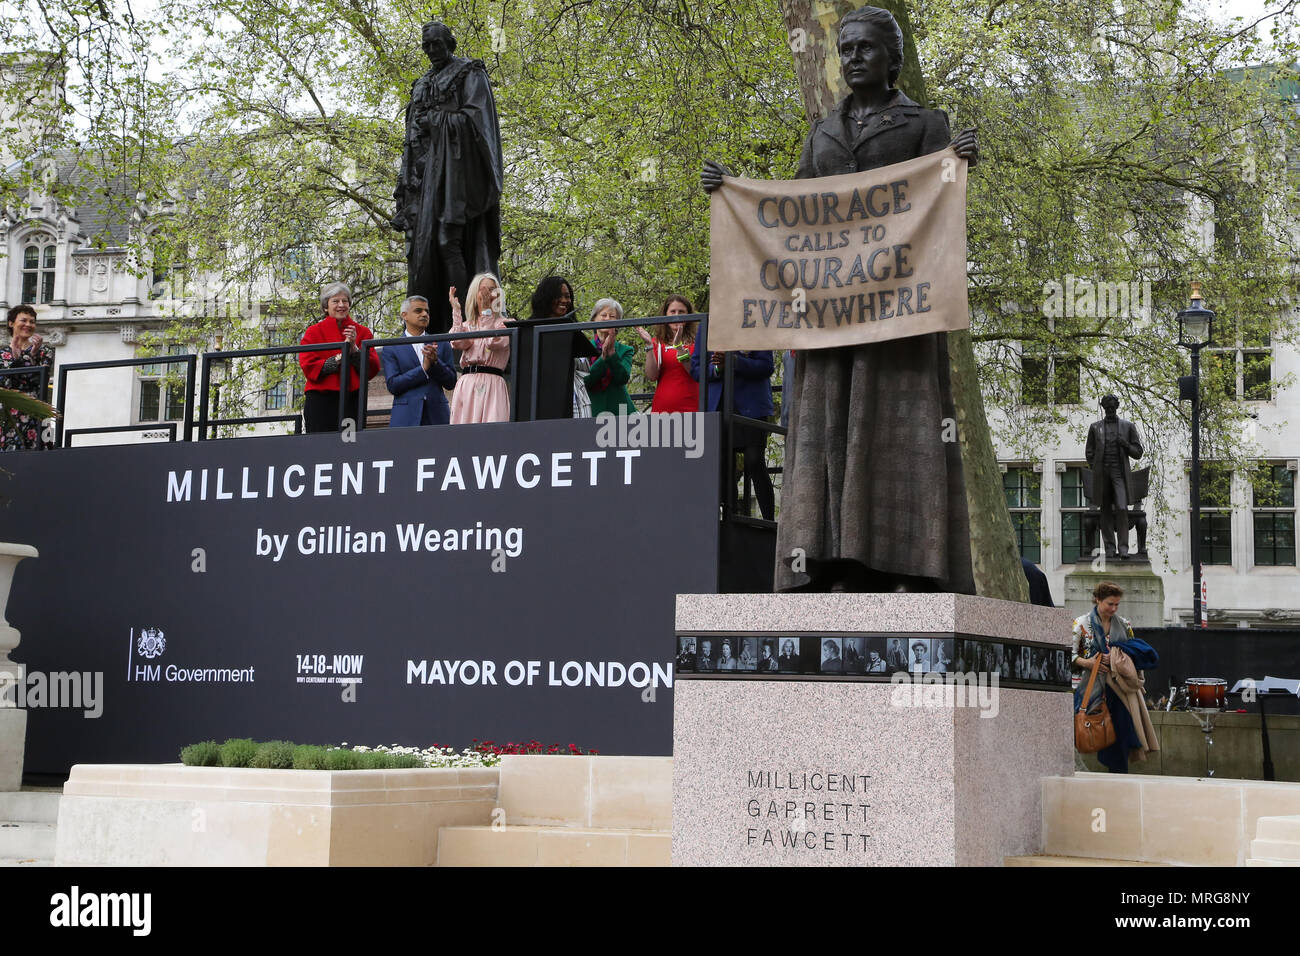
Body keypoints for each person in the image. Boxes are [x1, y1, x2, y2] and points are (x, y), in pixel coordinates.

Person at [705, 6, 979, 591]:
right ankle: (829, 561)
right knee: (827, 436)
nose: (853, 58)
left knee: (899, 436)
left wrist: (958, 166)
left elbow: (942, 204)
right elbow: (794, 219)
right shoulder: (822, 133)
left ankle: (908, 565)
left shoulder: (926, 125)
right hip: (830, 322)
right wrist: (732, 194)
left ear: (891, 58)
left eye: (866, 49)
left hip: (900, 319)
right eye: (846, 49)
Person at [392, 20, 502, 334]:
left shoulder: (469, 72)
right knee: (425, 255)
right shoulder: (421, 82)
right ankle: (434, 327)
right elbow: (411, 138)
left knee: (449, 243)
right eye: (426, 45)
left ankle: (472, 320)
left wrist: (436, 119)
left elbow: (476, 120)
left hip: (457, 176)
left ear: (449, 44)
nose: (431, 50)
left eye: (436, 44)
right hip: (426, 182)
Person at [1071, 581, 1160, 772]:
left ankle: (1119, 772)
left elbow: (1131, 652)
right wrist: (1088, 663)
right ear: (1097, 599)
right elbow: (1068, 654)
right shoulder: (1080, 624)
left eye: (1117, 604)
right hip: (1091, 688)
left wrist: (1117, 660)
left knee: (1121, 732)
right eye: (1110, 604)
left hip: (1119, 688)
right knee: (1087, 727)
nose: (1114, 608)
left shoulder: (1124, 624)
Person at [690, 346, 776, 520]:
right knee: (723, 463)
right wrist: (717, 368)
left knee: (754, 460)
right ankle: (729, 519)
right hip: (719, 404)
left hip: (752, 403)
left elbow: (766, 367)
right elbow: (697, 370)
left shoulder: (754, 321)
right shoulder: (707, 325)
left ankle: (769, 523)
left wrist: (734, 362)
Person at [514, 276, 599, 421]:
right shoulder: (527, 330)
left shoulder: (573, 330)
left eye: (567, 296)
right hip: (536, 399)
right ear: (546, 297)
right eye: (558, 296)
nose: (565, 300)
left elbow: (585, 369)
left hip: (570, 399)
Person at [299, 283, 380, 433]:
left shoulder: (363, 332)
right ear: (326, 307)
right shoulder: (313, 332)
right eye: (335, 301)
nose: (341, 305)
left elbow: (372, 369)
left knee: (350, 447)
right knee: (321, 447)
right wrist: (340, 357)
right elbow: (308, 366)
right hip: (321, 399)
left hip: (352, 399)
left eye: (345, 301)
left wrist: (355, 349)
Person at [381, 295, 457, 427]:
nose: (424, 314)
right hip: (405, 418)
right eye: (418, 311)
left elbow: (451, 382)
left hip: (437, 416)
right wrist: (423, 369)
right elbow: (393, 385)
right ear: (404, 315)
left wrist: (436, 364)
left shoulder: (442, 343)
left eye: (427, 311)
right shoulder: (391, 347)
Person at [1085, 395, 1144, 559]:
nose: (1110, 410)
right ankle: (1110, 548)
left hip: (1119, 473)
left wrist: (1125, 444)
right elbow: (1089, 451)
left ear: (1116, 407)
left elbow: (1138, 452)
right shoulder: (1095, 427)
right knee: (1105, 510)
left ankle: (1123, 548)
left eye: (1112, 407)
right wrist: (1095, 467)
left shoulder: (1128, 426)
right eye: (1107, 408)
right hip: (1102, 473)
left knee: (1122, 507)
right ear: (1104, 408)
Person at [448, 273, 511, 423]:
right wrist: (456, 311)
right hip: (467, 383)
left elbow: (493, 342)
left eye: (492, 290)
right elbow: (457, 342)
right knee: (463, 433)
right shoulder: (468, 325)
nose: (488, 294)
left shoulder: (506, 323)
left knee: (492, 432)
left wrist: (487, 312)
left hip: (492, 383)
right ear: (474, 295)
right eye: (484, 290)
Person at [0, 305, 54, 451]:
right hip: (9, 411)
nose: (28, 325)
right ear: (11, 323)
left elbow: (39, 381)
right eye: (24, 320)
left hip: (36, 408)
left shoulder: (44, 351)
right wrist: (17, 359)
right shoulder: (2, 352)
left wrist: (31, 356)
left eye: (32, 322)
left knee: (42, 455)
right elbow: (6, 383)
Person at [635, 295, 699, 413]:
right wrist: (649, 345)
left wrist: (679, 347)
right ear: (665, 315)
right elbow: (652, 376)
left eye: (681, 312)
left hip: (693, 407)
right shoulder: (657, 342)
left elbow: (696, 373)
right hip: (663, 409)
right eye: (672, 312)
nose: (676, 315)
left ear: (689, 315)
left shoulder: (698, 341)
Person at [584, 299, 636, 417]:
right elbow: (585, 381)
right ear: (593, 319)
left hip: (621, 411)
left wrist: (612, 355)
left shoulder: (625, 350)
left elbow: (622, 378)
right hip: (593, 410)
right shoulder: (583, 348)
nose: (607, 318)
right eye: (603, 315)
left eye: (612, 316)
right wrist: (603, 358)